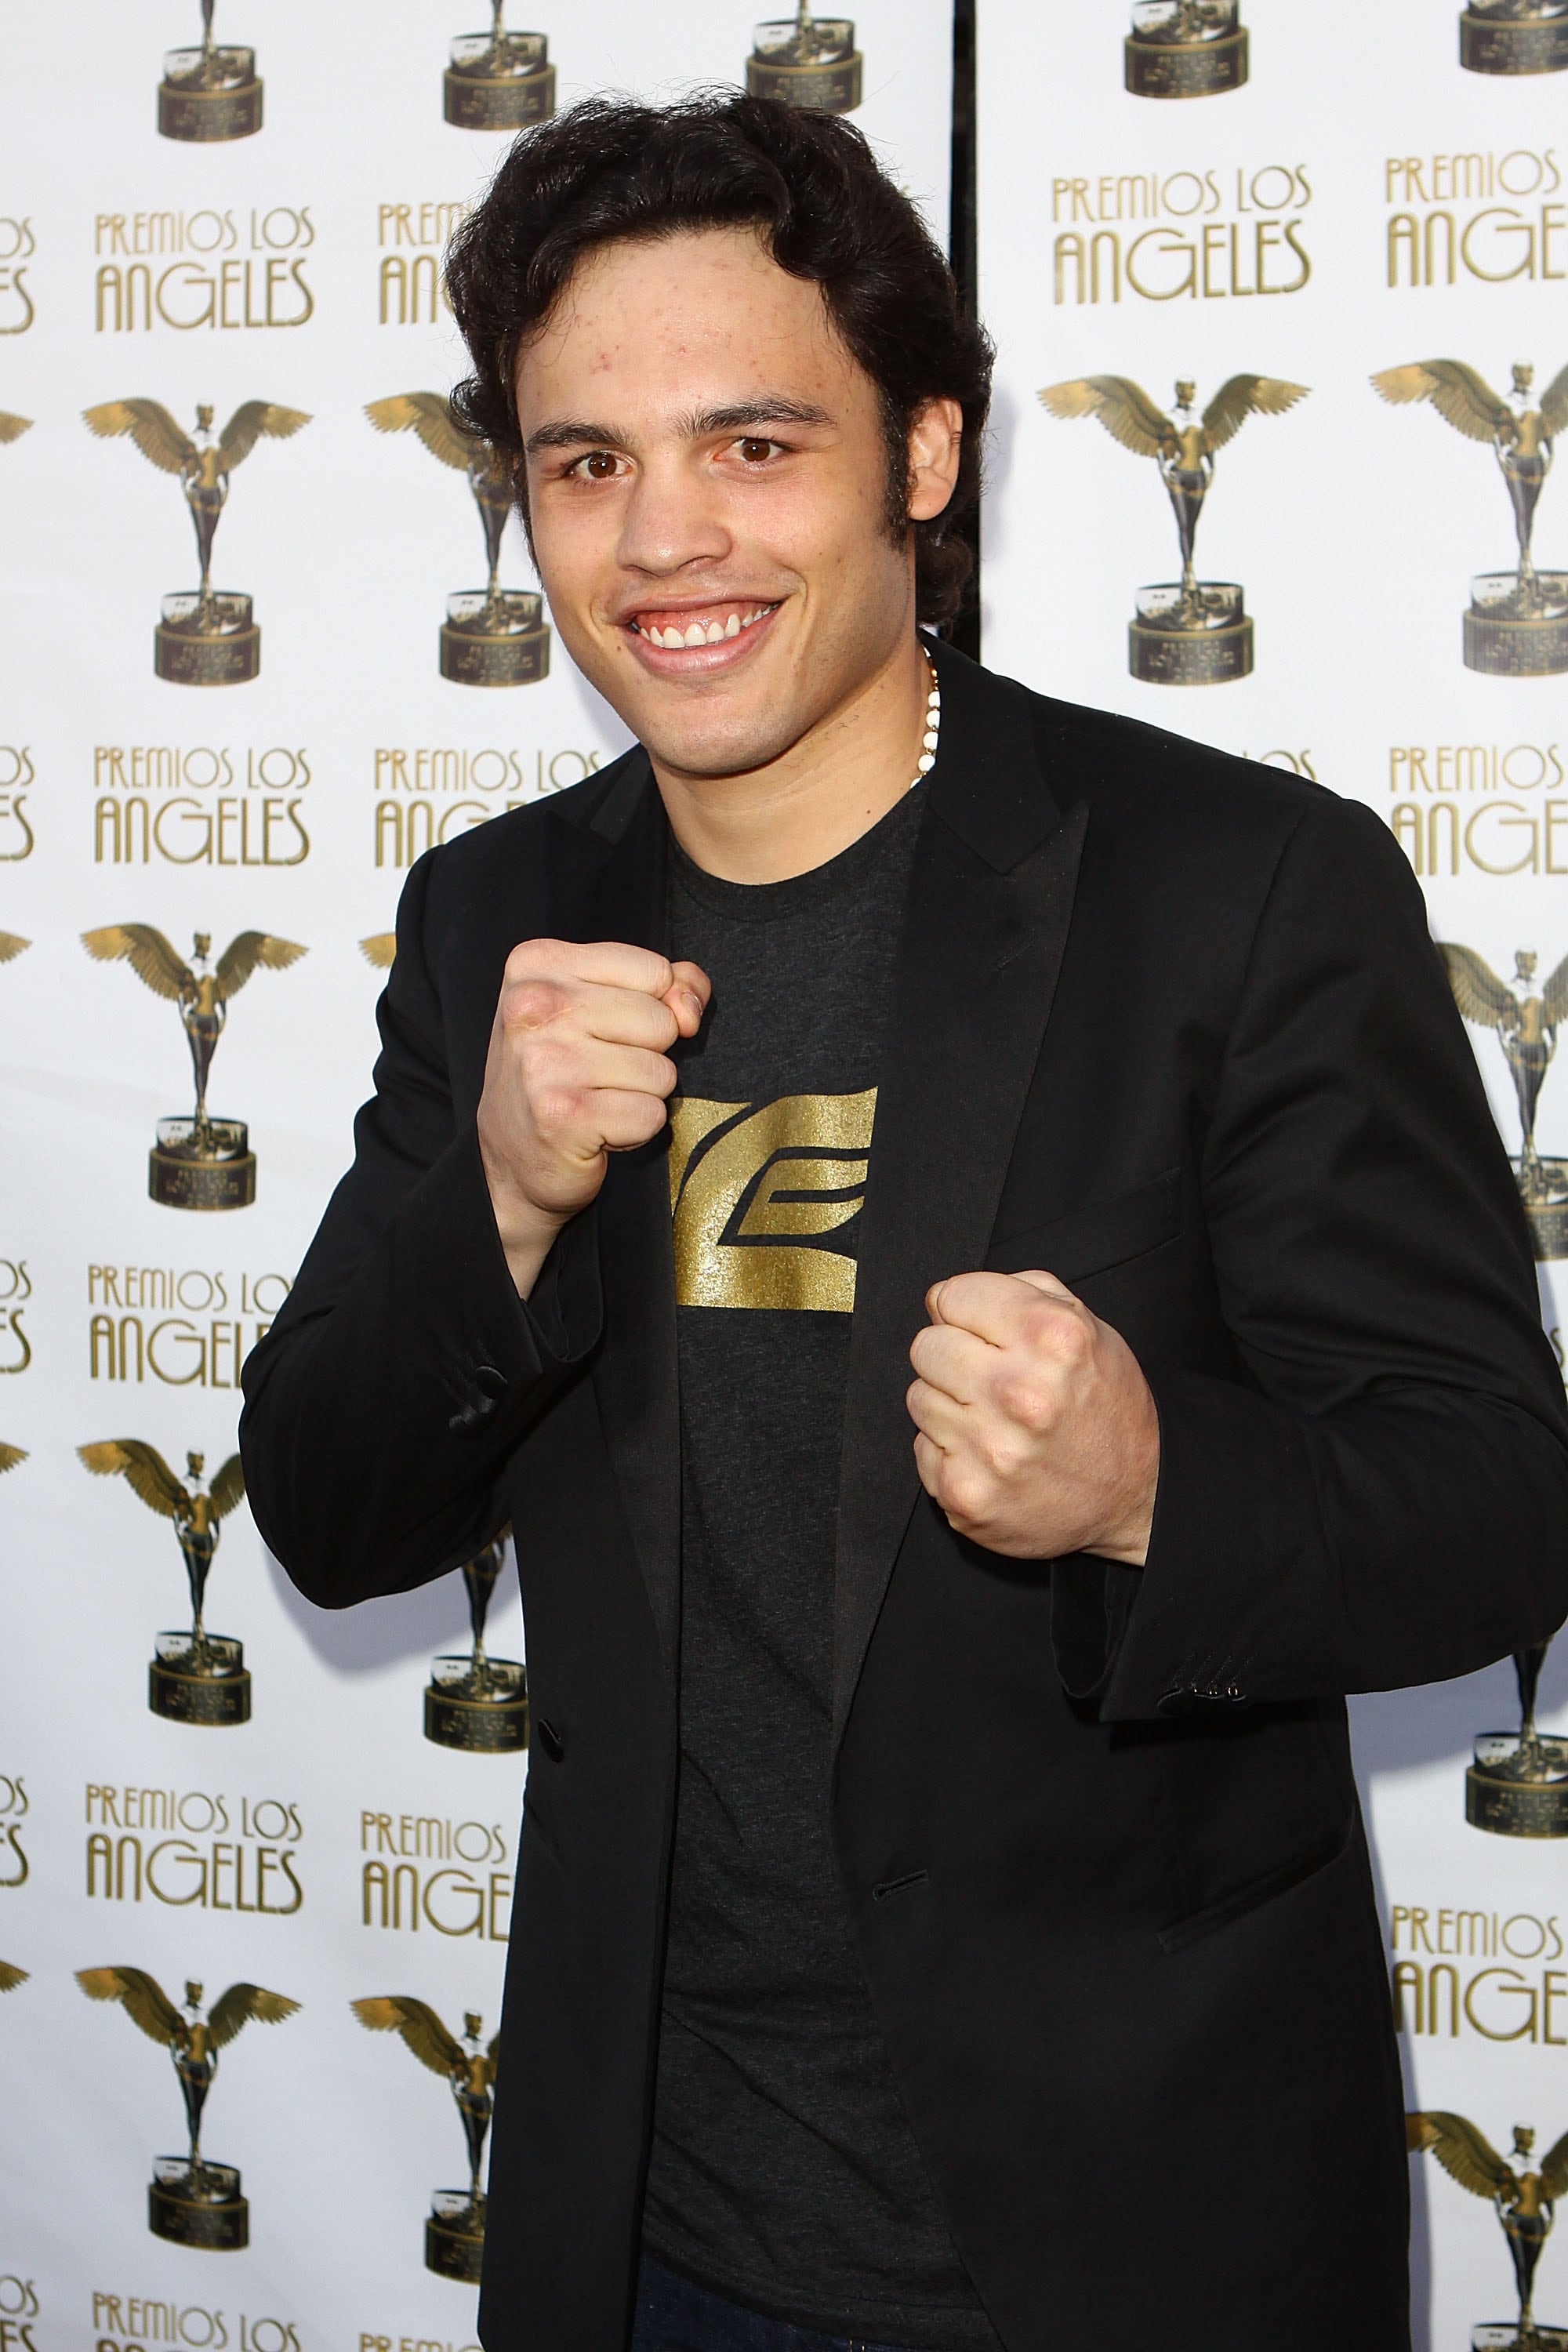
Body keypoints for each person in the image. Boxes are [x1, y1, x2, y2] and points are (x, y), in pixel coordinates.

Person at [239, 93, 1568, 2352]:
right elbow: (337, 1508)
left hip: (1120, 2239)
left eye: (754, 445)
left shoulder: (1232, 889)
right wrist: (498, 1190)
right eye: (583, 463)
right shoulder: (496, 920)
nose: (666, 538)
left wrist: (1155, 1487)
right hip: (649, 2228)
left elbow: (1503, 1507)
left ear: (923, 460)